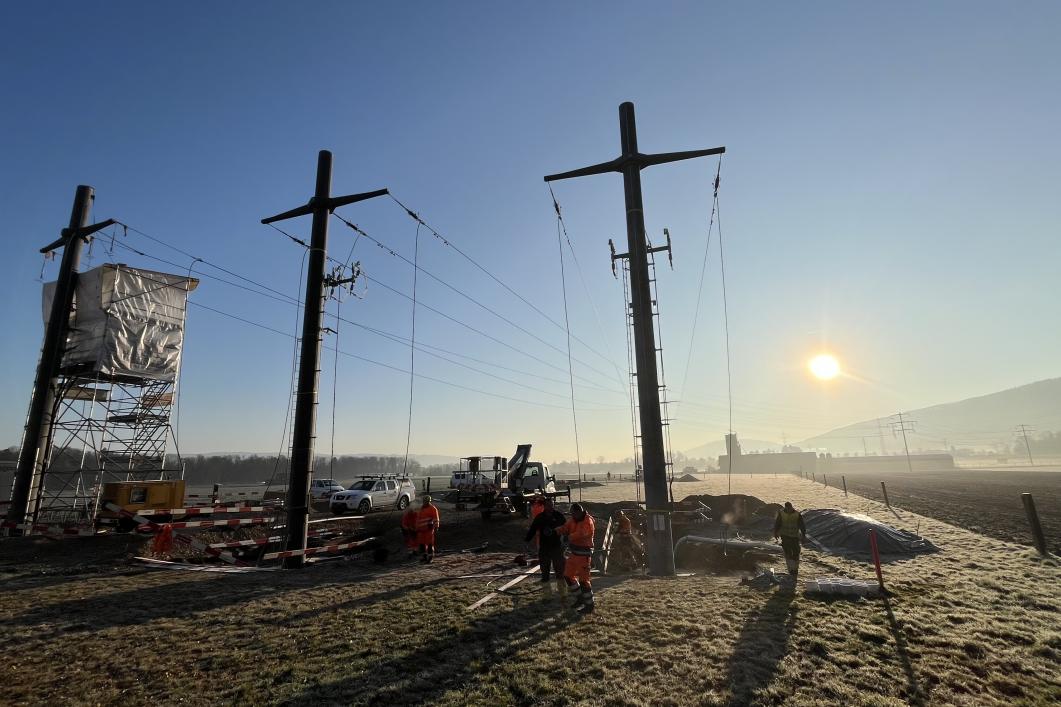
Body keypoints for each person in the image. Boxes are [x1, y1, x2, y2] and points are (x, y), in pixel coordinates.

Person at [558, 502, 596, 613]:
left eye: (574, 513)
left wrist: (568, 538)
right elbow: (566, 527)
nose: (572, 515)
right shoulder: (573, 520)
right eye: (571, 514)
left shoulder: (588, 522)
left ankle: (589, 606)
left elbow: (581, 533)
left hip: (584, 556)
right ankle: (580, 598)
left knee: (584, 581)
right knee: (568, 576)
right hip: (574, 554)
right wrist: (556, 530)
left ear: (579, 512)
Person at [524, 498, 566, 593]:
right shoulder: (540, 517)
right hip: (544, 547)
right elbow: (533, 529)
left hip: (557, 546)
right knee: (545, 571)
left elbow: (567, 528)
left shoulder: (559, 516)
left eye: (551, 505)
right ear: (544, 506)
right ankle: (546, 593)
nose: (550, 507)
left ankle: (562, 592)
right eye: (548, 505)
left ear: (553, 505)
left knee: (560, 571)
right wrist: (527, 540)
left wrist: (567, 540)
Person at [773, 501, 807, 579]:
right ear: (786, 507)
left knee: (796, 552)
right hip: (785, 536)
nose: (789, 510)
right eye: (787, 508)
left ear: (792, 507)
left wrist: (803, 535)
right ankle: (791, 569)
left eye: (790, 508)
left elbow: (802, 525)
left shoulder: (797, 514)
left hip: (794, 536)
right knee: (788, 552)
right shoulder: (781, 514)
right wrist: (775, 533)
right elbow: (777, 523)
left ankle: (795, 569)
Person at [416, 495, 441, 563]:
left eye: (426, 501)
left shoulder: (433, 509)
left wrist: (436, 526)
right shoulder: (422, 509)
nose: (425, 502)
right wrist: (417, 528)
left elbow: (436, 518)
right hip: (421, 530)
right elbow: (418, 519)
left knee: (429, 543)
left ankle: (430, 557)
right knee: (422, 544)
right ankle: (424, 556)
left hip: (428, 529)